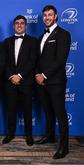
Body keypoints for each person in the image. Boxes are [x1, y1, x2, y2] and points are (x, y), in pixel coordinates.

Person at [35, 5, 71, 159]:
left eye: (50, 15)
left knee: (60, 113)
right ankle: (50, 136)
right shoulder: (41, 36)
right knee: (48, 111)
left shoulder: (63, 34)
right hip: (42, 82)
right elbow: (38, 58)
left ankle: (64, 147)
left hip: (56, 82)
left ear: (56, 16)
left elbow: (60, 60)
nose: (47, 17)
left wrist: (44, 75)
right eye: (45, 15)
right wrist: (37, 74)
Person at [2, 15, 37, 146]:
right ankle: (10, 134)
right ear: (13, 26)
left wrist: (20, 76)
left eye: (22, 23)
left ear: (26, 26)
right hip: (10, 82)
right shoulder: (6, 42)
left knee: (27, 110)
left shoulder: (33, 41)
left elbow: (32, 61)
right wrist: (12, 76)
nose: (19, 25)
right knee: (10, 110)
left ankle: (29, 136)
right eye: (17, 23)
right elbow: (3, 62)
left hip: (26, 82)